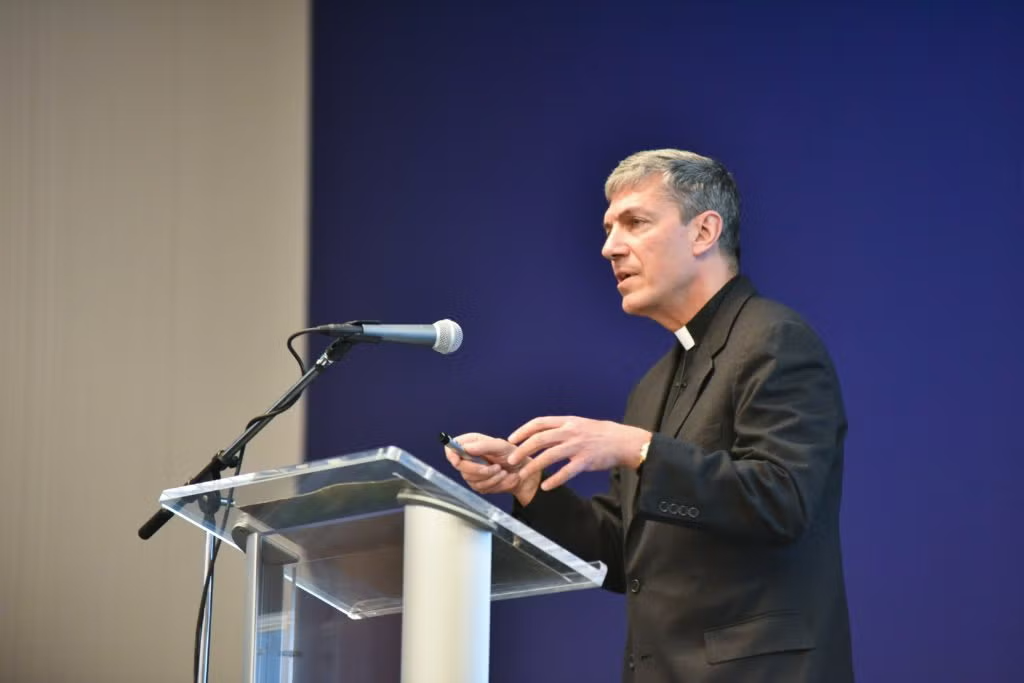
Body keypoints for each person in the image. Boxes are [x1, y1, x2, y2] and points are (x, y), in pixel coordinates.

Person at [445, 149, 853, 683]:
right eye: (608, 228)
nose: (610, 247)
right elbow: (620, 555)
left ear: (704, 231)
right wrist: (528, 486)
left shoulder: (775, 340)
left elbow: (783, 501)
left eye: (635, 222)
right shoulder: (652, 386)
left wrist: (638, 448)